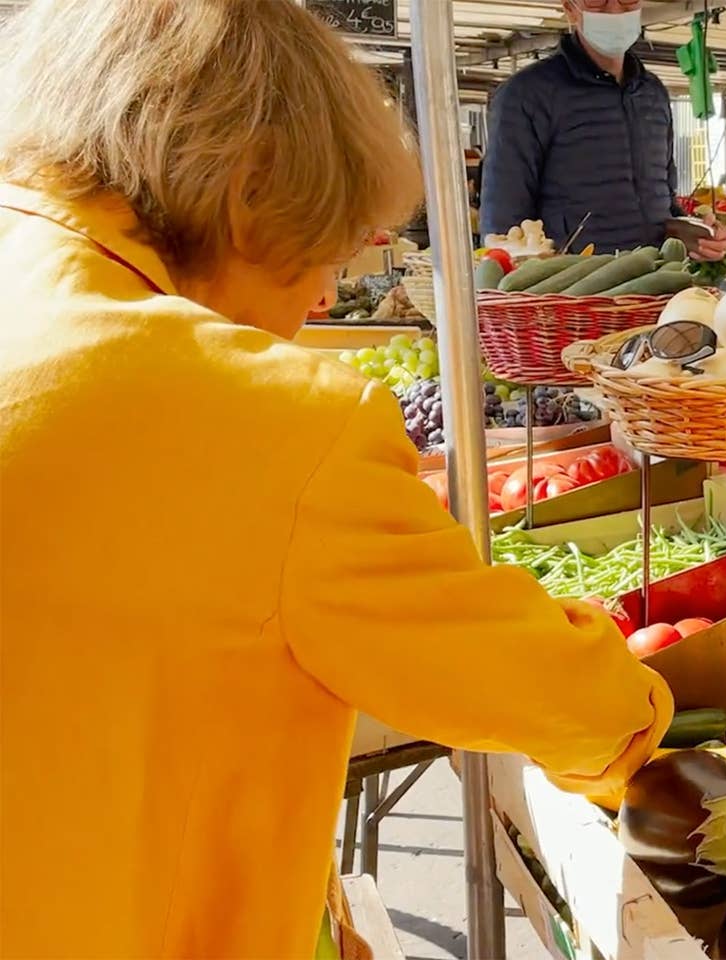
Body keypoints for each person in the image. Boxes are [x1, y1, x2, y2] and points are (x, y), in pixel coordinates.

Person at [0, 1, 673, 956]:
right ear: (249, 188)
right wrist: (643, 727)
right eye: (322, 243)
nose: (324, 294)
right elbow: (544, 691)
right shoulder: (266, 419)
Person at [482, 0, 726, 260]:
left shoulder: (652, 93)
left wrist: (695, 234)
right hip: (575, 290)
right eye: (597, 0)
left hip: (656, 283)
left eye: (626, 0)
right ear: (570, 9)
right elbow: (503, 229)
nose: (614, 10)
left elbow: (664, 204)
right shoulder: (527, 95)